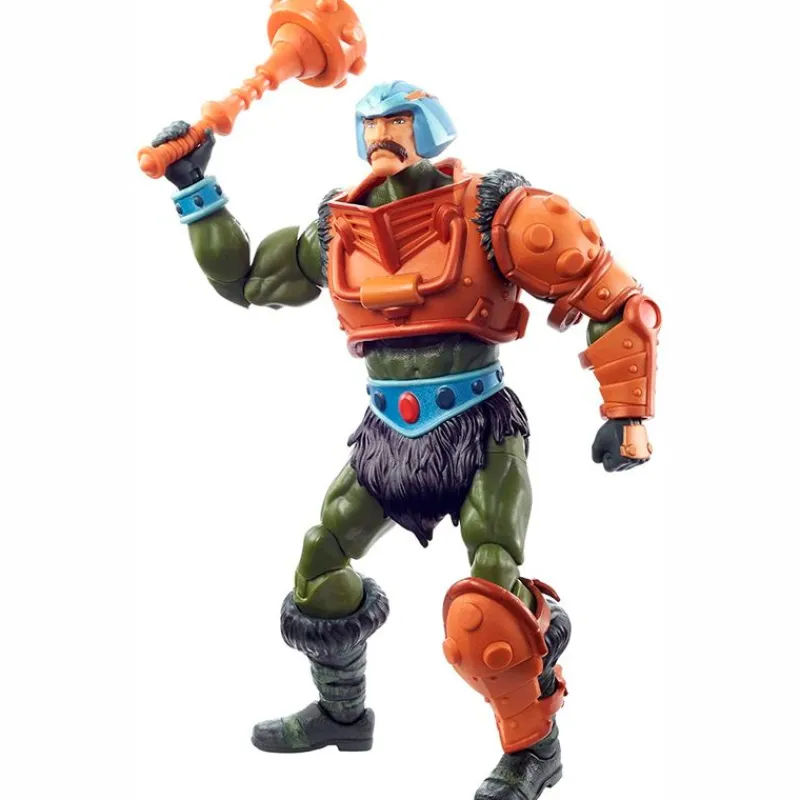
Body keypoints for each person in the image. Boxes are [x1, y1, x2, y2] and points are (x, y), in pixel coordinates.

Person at [153, 79, 661, 799]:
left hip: (479, 430)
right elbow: (247, 280)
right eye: (372, 125)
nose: (384, 137)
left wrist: (626, 412)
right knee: (320, 565)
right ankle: (342, 715)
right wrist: (195, 187)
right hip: (387, 435)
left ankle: (534, 749)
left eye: (399, 123)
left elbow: (610, 293)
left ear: (430, 128)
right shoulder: (340, 230)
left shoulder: (495, 211)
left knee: (489, 591)